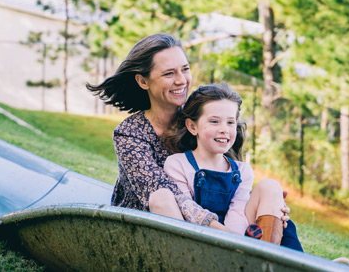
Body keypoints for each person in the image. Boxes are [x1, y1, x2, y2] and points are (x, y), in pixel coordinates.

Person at [85, 33, 290, 231]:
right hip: (145, 226)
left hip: (218, 224)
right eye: (169, 73)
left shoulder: (202, 122)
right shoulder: (130, 135)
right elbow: (171, 196)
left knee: (272, 197)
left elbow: (229, 184)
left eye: (185, 69)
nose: (182, 80)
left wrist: (266, 205)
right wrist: (227, 238)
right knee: (163, 196)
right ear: (143, 81)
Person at [163, 83, 303, 250]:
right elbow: (186, 212)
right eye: (214, 121)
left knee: (271, 188)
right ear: (193, 126)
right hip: (200, 240)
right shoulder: (178, 164)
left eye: (230, 122)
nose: (224, 129)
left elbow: (238, 211)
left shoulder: (242, 170)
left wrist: (235, 242)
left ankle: (276, 259)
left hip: (237, 238)